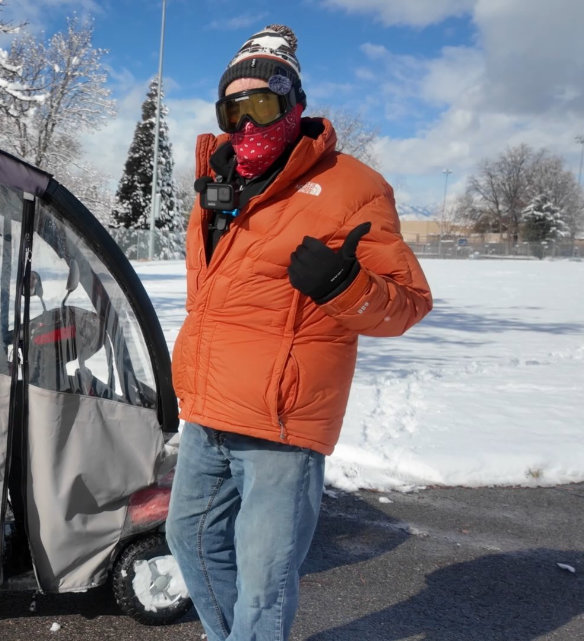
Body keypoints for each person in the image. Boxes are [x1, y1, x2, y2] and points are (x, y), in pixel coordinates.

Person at [165, 24, 433, 641]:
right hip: (208, 406)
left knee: (265, 577)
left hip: (281, 422)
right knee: (190, 539)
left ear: (296, 105)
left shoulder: (353, 186)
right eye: (235, 108)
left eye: (264, 103)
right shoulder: (217, 184)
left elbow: (408, 304)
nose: (249, 122)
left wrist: (345, 285)